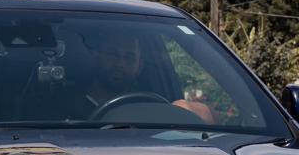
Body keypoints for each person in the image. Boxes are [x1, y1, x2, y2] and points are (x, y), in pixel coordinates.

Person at [81, 28, 215, 124]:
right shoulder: (66, 106)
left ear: (139, 66)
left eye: (129, 57)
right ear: (95, 57)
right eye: (112, 54)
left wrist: (188, 111)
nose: (120, 63)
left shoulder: (153, 109)